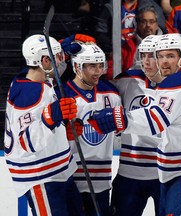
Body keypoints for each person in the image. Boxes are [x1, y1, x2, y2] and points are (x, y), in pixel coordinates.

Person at [88, 33, 181, 216]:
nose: (164, 61)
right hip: (174, 171)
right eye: (161, 56)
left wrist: (118, 119)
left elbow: (155, 119)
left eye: (170, 56)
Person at [4, 34, 84, 216]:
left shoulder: (31, 79)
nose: (61, 60)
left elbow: (45, 123)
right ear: (45, 60)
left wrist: (62, 130)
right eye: (57, 56)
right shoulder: (30, 93)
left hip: (59, 170)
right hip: (41, 176)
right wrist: (50, 117)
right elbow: (26, 141)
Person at [57, 42, 122, 216]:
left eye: (101, 65)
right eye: (92, 66)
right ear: (77, 67)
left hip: (101, 179)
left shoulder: (112, 94)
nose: (98, 71)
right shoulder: (60, 94)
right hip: (70, 179)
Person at [109, 35, 163, 216]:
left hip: (165, 175)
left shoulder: (179, 85)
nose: (146, 61)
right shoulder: (128, 80)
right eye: (143, 55)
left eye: (152, 55)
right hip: (129, 174)